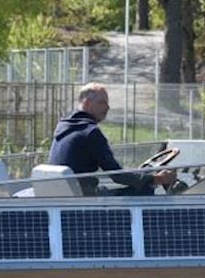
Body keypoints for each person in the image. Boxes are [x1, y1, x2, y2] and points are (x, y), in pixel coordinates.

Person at [49, 83, 177, 195]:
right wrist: (156, 179)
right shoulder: (90, 132)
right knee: (145, 189)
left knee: (111, 187)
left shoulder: (64, 125)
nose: (107, 107)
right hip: (84, 198)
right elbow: (117, 175)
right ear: (87, 103)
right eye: (102, 102)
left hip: (67, 194)